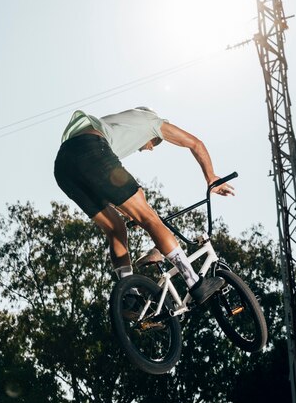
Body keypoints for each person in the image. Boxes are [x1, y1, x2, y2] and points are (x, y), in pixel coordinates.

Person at [54, 107, 234, 304]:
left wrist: (129, 211)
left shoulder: (120, 124)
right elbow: (195, 143)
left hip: (64, 167)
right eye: (154, 144)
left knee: (116, 229)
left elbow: (104, 181)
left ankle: (129, 296)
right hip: (91, 149)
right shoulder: (152, 122)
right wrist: (211, 177)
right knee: (149, 218)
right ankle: (195, 284)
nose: (149, 149)